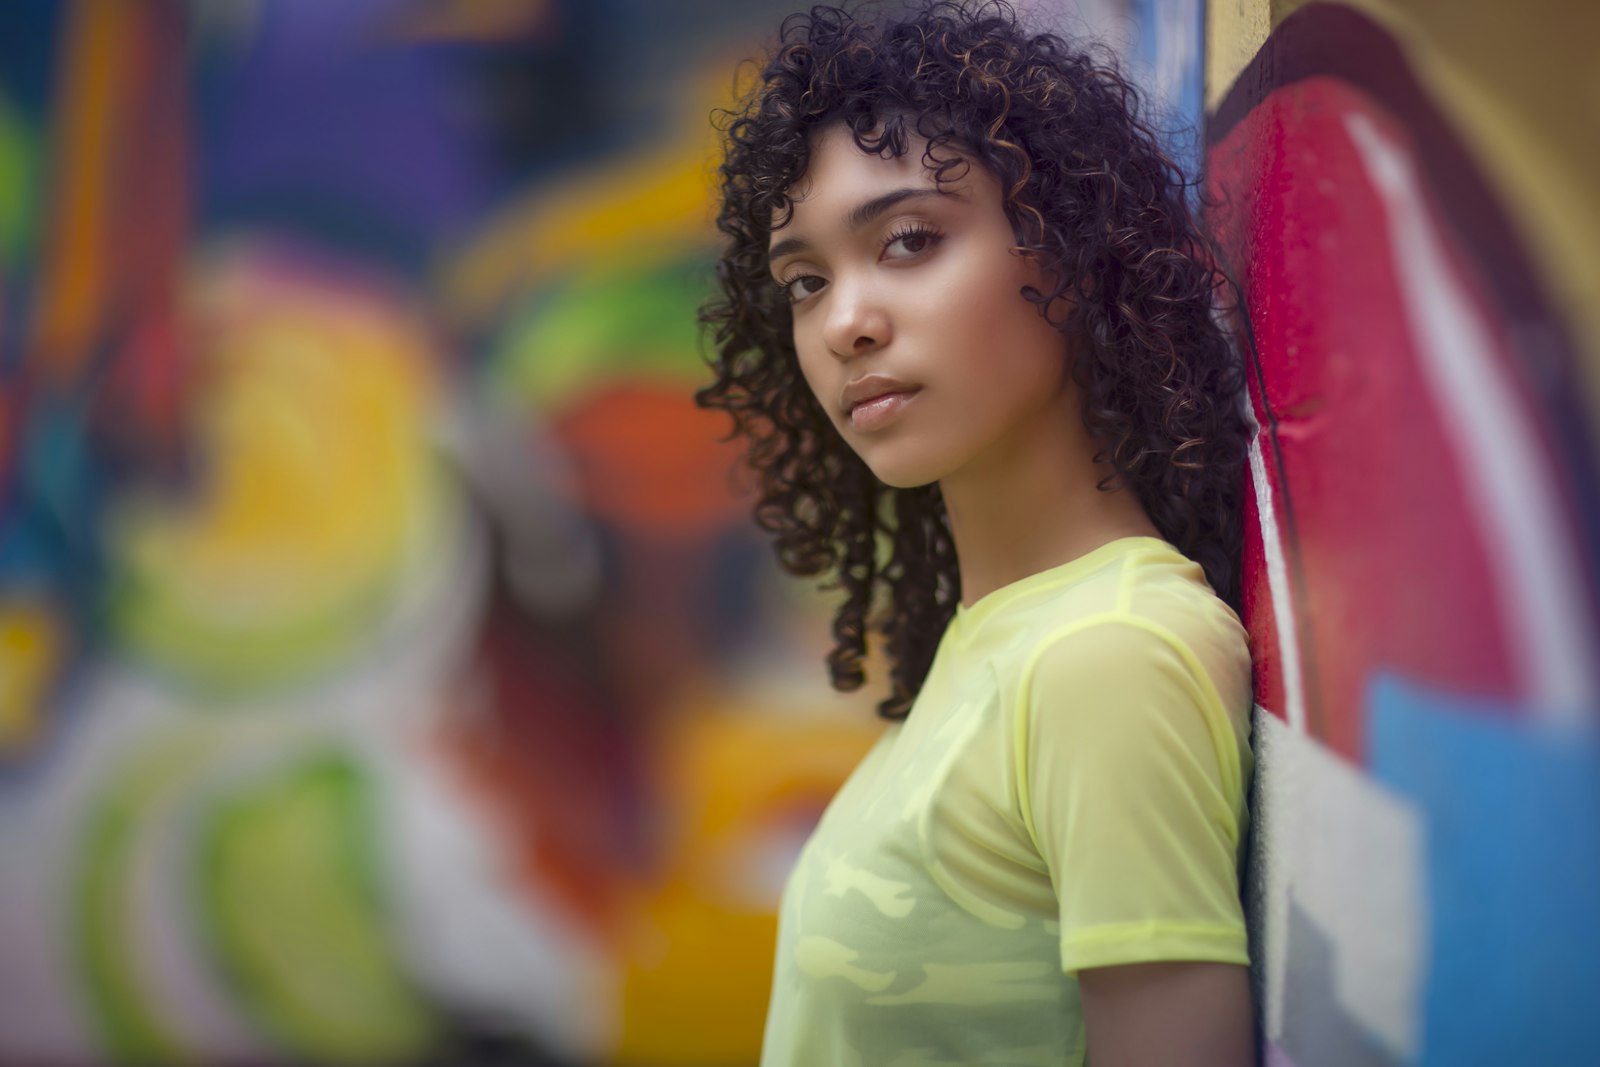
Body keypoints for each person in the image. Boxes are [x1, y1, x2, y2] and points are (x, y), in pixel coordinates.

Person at [696, 2, 1256, 1063]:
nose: (842, 321)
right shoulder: (1001, 639)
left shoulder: (1109, 655)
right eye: (805, 280)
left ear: (1072, 253)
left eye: (908, 241)